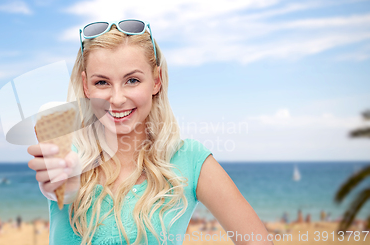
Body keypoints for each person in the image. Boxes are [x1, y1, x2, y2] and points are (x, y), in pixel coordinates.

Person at [27, 19, 272, 244]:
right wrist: (60, 186)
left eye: (132, 80)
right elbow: (57, 185)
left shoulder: (190, 159)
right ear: (85, 86)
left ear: (157, 80)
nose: (117, 98)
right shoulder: (67, 154)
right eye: (102, 82)